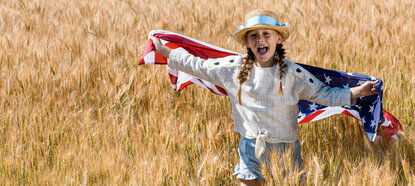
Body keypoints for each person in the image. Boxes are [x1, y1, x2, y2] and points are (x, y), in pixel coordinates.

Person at [151, 9, 379, 186]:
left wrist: (357, 92)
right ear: (247, 42)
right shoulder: (232, 68)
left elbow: (324, 94)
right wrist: (165, 52)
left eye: (266, 34)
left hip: (286, 148)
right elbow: (199, 66)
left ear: (278, 39)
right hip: (250, 146)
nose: (260, 39)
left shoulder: (294, 74)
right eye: (253, 36)